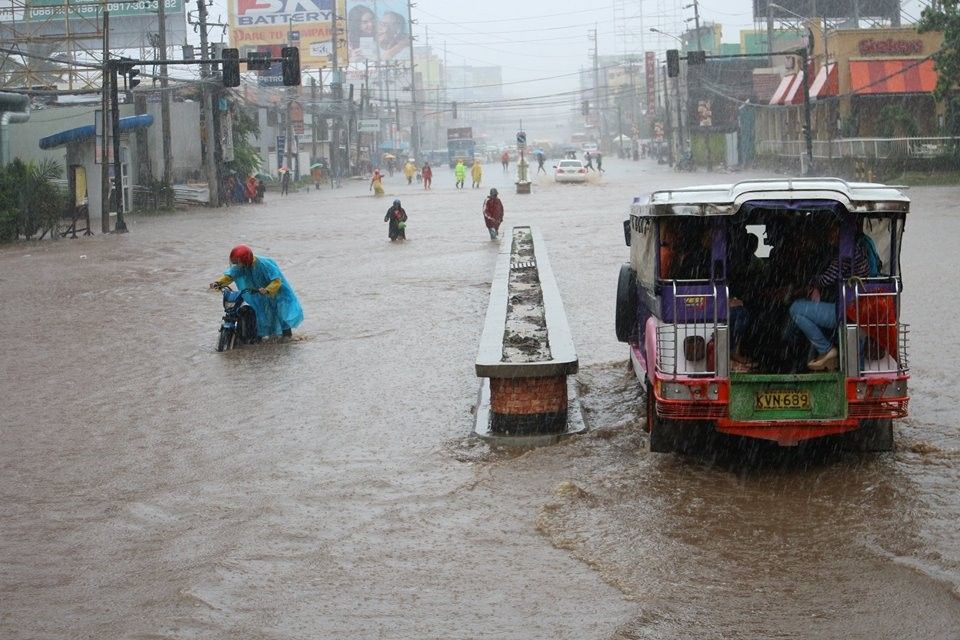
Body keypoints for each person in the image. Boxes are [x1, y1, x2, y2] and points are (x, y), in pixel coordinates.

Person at [789, 220, 869, 371]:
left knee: (796, 308)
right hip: (859, 308)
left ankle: (826, 349)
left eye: (832, 232)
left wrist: (808, 283)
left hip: (846, 310)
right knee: (857, 363)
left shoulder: (846, 254)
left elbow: (827, 279)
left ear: (841, 234)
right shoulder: (859, 248)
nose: (828, 236)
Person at [209, 244, 304, 340]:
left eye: (237, 262)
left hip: (278, 293)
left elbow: (276, 281)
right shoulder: (242, 266)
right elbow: (230, 275)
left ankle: (287, 340)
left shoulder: (265, 264)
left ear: (245, 260)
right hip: (259, 293)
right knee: (261, 317)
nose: (236, 265)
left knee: (281, 316)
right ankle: (262, 340)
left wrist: (268, 290)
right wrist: (218, 282)